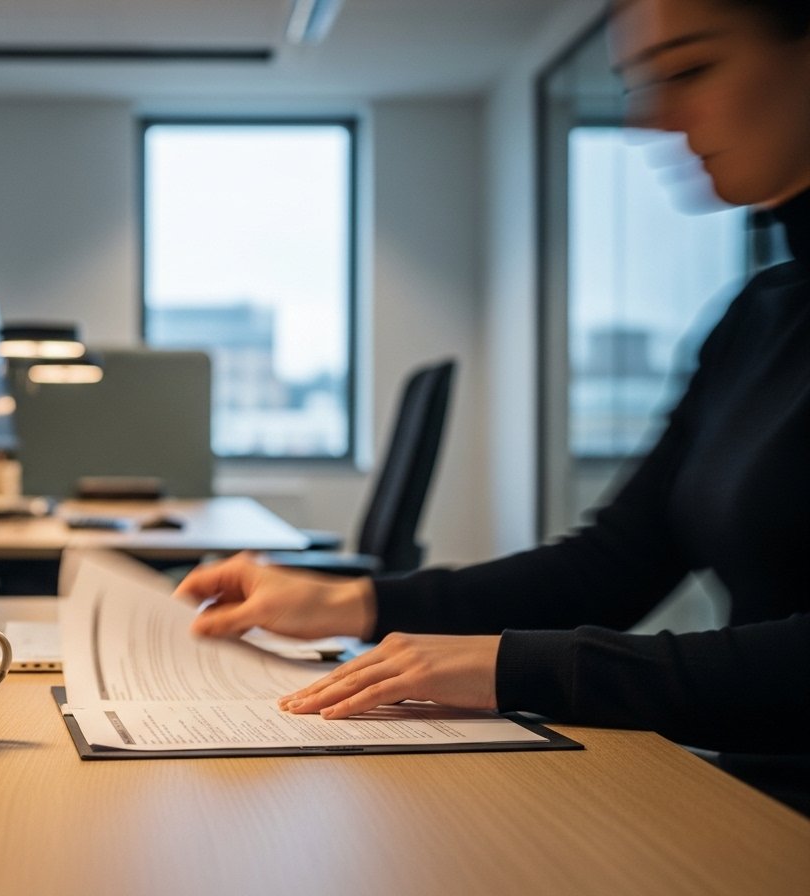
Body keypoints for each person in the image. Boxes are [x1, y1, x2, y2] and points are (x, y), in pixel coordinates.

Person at [176, 0, 810, 814]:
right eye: (642, 83)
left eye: (691, 69)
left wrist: (508, 666)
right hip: (755, 803)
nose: (651, 119)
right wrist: (351, 603)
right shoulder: (760, 316)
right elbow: (612, 566)